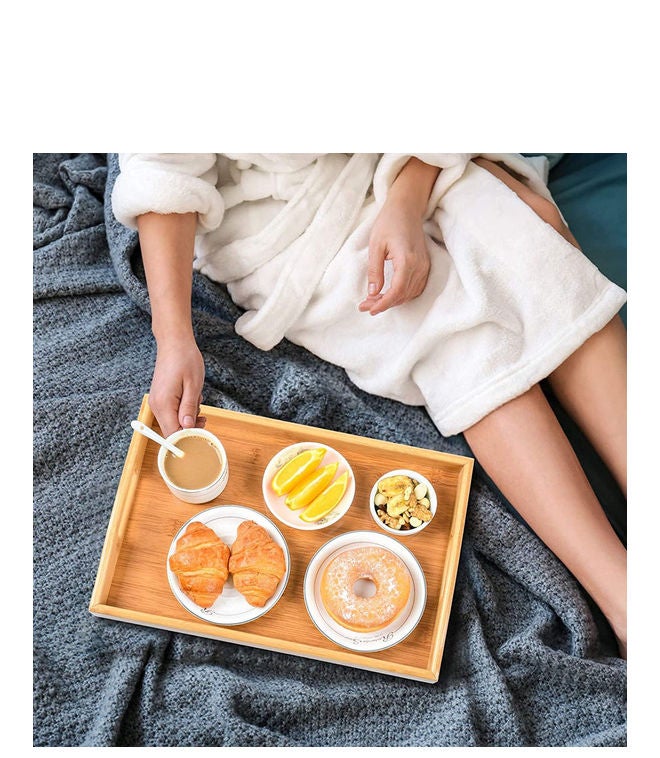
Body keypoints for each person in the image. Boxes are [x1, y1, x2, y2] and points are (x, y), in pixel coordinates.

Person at [111, 153, 627, 657]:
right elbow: (164, 175)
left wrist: (406, 199)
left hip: (409, 158)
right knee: (454, 335)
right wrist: (174, 339)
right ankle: (623, 599)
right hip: (285, 223)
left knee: (535, 248)